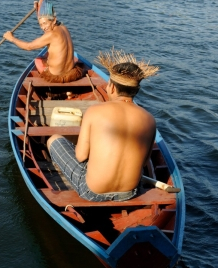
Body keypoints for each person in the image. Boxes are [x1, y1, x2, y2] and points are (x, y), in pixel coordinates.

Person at [47, 48, 159, 202]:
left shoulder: (95, 111)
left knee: (54, 139)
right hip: (130, 193)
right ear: (136, 90)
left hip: (91, 192)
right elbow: (145, 162)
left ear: (112, 87)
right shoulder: (150, 119)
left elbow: (80, 156)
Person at [3, 0, 84, 83]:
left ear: (53, 20)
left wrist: (11, 38)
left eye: (45, 23)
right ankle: (69, 92)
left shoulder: (51, 35)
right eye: (40, 24)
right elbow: (45, 20)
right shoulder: (64, 28)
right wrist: (39, 9)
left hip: (56, 76)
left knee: (38, 60)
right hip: (71, 72)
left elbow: (28, 47)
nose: (43, 27)